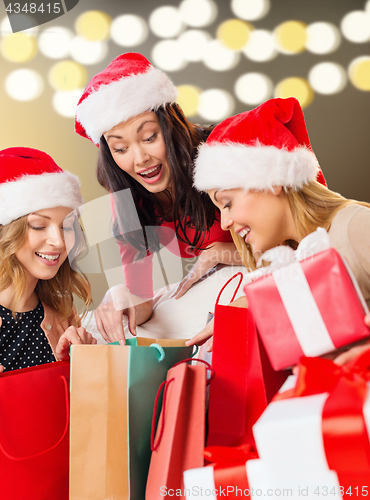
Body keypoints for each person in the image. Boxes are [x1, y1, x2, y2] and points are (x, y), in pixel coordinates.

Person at [187, 97, 370, 362]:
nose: (225, 223)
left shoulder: (353, 226)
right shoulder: (289, 266)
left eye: (227, 203)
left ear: (272, 180)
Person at [75, 52, 241, 343]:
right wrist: (119, 296)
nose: (140, 159)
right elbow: (142, 300)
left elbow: (295, 247)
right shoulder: (128, 200)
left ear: (171, 126)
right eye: (121, 149)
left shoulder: (222, 155)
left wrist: (221, 251)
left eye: (149, 137)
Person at [0, 147, 96, 373]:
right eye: (38, 226)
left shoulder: (63, 315)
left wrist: (84, 363)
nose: (60, 242)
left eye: (67, 226)